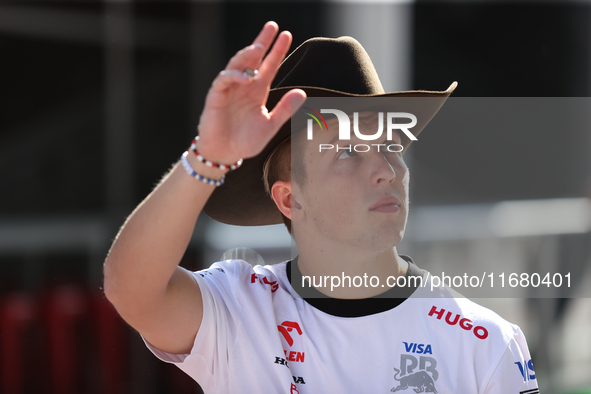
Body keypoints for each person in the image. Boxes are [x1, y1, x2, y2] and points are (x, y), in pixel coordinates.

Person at [103, 21, 540, 393]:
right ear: (291, 199)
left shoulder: (484, 342)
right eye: (348, 152)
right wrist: (208, 157)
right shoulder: (238, 309)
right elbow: (131, 289)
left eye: (390, 144)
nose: (387, 169)